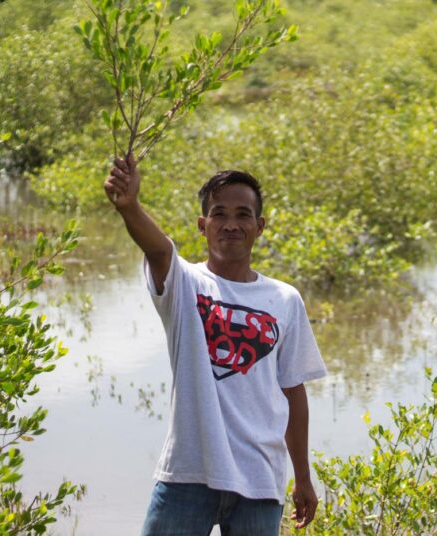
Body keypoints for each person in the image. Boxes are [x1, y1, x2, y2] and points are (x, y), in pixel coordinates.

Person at [105, 153, 327, 535]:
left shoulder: (284, 299)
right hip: (188, 474)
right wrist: (130, 207)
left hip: (259, 480)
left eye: (243, 215)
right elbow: (158, 250)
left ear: (259, 227)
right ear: (202, 225)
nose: (231, 225)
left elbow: (293, 392)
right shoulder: (184, 284)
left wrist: (303, 477)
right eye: (219, 214)